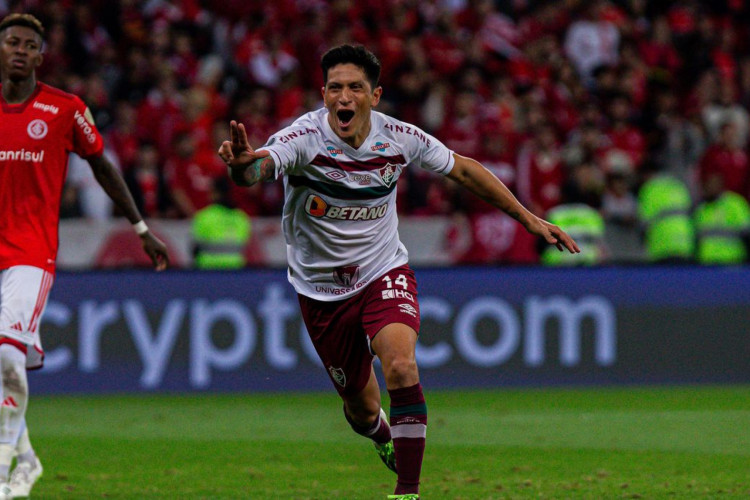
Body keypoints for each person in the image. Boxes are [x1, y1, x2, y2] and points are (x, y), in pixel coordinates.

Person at [219, 44, 579, 500]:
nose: (343, 97)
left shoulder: (399, 137)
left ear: (375, 95)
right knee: (361, 410)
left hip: (382, 270)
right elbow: (260, 168)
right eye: (335, 88)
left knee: (402, 365)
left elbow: (464, 171)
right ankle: (382, 435)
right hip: (321, 291)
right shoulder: (303, 138)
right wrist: (242, 171)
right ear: (323, 93)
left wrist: (530, 219)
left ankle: (407, 492)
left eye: (355, 88)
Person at [0, 13, 169, 499]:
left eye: (28, 45)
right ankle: (27, 461)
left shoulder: (63, 108)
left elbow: (102, 166)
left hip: (30, 255)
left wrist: (140, 228)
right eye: (11, 41)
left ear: (40, 55)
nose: (19, 50)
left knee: (8, 353)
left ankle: (6, 463)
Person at [191, 176, 252, 269]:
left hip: (208, 272)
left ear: (217, 193)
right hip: (235, 272)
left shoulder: (204, 216)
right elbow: (246, 247)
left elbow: (195, 249)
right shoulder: (241, 218)